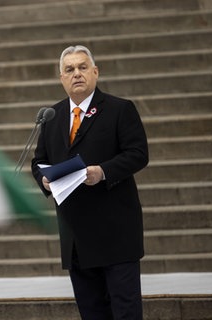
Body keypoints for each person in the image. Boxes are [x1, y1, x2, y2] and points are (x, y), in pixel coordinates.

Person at [31, 45, 149, 320]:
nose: (77, 74)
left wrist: (103, 172)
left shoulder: (120, 109)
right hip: (76, 236)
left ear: (95, 72)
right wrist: (44, 180)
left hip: (116, 232)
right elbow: (38, 161)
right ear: (61, 78)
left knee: (125, 311)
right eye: (69, 70)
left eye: (83, 67)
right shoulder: (52, 116)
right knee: (92, 312)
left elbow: (138, 154)